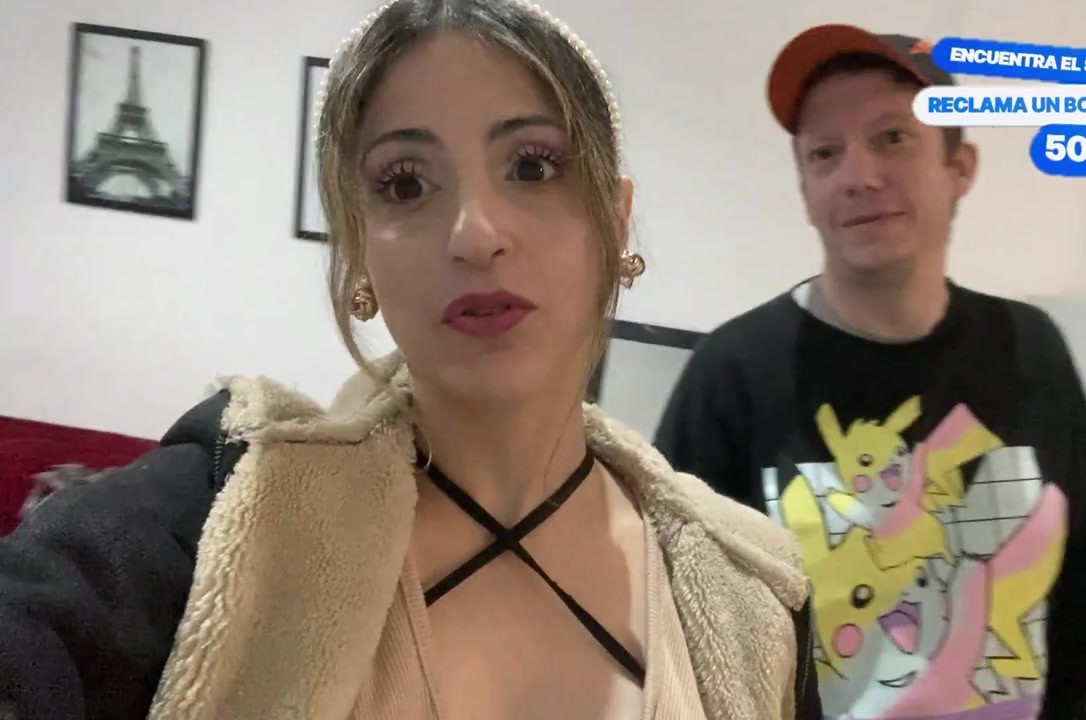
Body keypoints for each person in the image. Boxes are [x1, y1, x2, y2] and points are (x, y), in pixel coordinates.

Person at [0, 2, 822, 718]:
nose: (476, 234)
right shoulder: (231, 511)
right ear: (357, 250)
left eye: (532, 166)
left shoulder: (754, 594)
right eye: (404, 184)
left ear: (616, 219)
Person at [653, 24, 1086, 720]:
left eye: (892, 138)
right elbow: (674, 630)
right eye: (825, 153)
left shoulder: (1030, 350)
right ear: (805, 188)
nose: (858, 176)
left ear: (959, 166)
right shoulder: (735, 372)